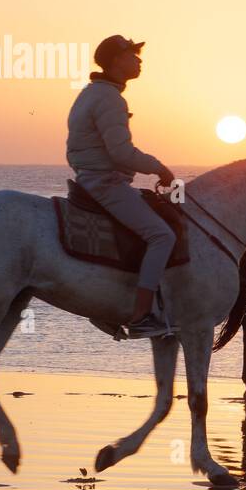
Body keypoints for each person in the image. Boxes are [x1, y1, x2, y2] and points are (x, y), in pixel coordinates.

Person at [66, 35, 178, 338]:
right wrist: (160, 168)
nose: (139, 61)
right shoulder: (109, 98)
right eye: (133, 56)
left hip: (93, 178)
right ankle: (142, 316)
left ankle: (109, 303)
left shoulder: (92, 93)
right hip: (105, 183)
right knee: (161, 236)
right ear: (116, 60)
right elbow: (120, 152)